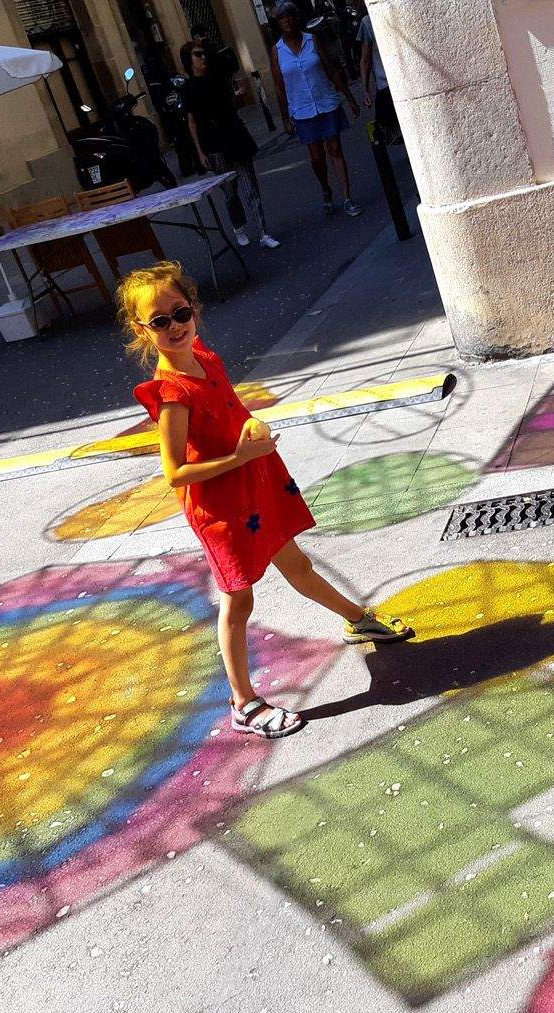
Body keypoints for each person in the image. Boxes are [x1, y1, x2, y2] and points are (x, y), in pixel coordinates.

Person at [117, 261, 413, 739]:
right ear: (141, 330)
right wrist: (241, 454)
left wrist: (251, 430)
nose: (174, 326)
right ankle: (244, 703)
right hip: (218, 510)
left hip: (250, 489)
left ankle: (360, 622)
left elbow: (229, 415)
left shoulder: (206, 358)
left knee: (297, 567)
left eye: (180, 312)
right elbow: (176, 474)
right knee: (238, 600)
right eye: (159, 321)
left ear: (193, 310)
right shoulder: (171, 394)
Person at [181, 41, 280, 249]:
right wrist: (199, 152)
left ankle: (263, 233)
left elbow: (231, 106)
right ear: (189, 60)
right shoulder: (189, 88)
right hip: (214, 143)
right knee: (230, 192)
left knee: (250, 186)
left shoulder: (216, 79)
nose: (203, 58)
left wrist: (238, 98)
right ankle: (239, 227)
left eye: (203, 54)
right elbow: (192, 122)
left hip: (234, 134)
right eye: (197, 55)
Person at [268, 0, 363, 217]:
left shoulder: (312, 40)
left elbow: (330, 69)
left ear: (296, 18)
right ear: (278, 24)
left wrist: (349, 97)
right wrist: (285, 118)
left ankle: (347, 197)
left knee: (336, 150)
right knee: (317, 158)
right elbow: (279, 87)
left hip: (326, 101)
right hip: (301, 110)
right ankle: (325, 189)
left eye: (290, 16)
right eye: (283, 19)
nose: (288, 21)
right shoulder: (277, 51)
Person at [356, 0, 398, 145]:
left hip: (386, 84)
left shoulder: (367, 22)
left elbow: (365, 60)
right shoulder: (368, 22)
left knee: (385, 125)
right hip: (395, 82)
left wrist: (366, 91)